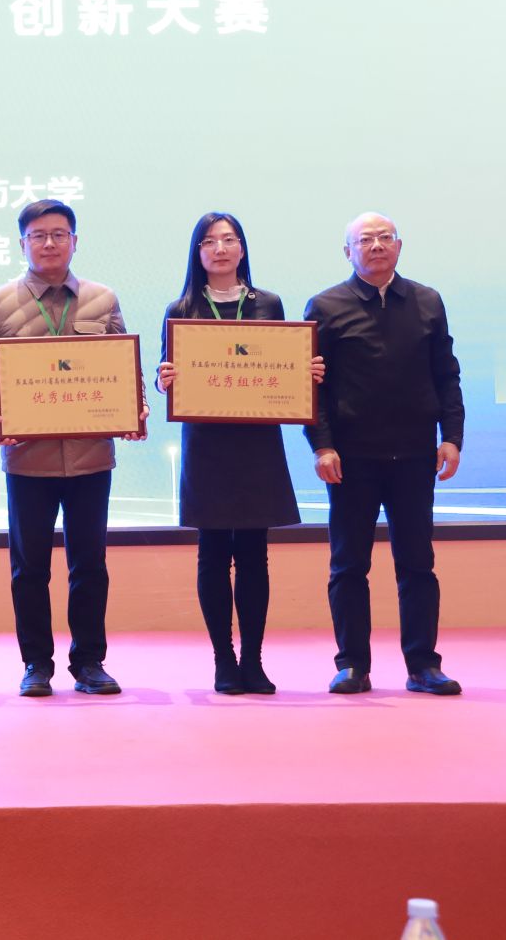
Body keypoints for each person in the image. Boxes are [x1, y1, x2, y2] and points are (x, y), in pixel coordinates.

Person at [0, 199, 137, 698]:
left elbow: (122, 366)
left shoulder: (103, 299)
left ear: (74, 242)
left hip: (91, 457)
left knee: (90, 566)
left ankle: (89, 662)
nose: (49, 243)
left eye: (59, 234)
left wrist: (135, 409)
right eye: (38, 235)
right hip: (28, 459)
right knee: (29, 569)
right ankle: (36, 663)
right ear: (22, 243)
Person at [153, 213, 324, 695]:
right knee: (212, 554)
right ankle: (223, 660)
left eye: (229, 239)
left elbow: (283, 364)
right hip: (206, 444)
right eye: (209, 241)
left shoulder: (268, 303)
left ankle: (253, 660)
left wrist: (305, 372)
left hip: (256, 442)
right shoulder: (181, 308)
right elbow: (165, 374)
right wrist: (164, 380)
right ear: (198, 252)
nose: (220, 248)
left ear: (242, 248)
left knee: (253, 554)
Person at [306, 212, 465, 696]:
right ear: (347, 252)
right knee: (348, 565)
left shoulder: (427, 301)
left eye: (384, 237)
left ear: (399, 246)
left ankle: (423, 665)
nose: (376, 246)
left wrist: (452, 437)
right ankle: (352, 664)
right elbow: (312, 386)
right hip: (351, 458)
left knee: (417, 564)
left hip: (415, 454)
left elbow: (447, 374)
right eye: (364, 240)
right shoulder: (325, 306)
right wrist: (322, 444)